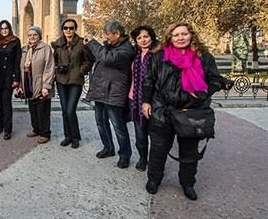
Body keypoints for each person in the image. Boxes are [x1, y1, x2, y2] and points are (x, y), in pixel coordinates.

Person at [142, 22, 223, 201]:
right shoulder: (159, 56)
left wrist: (204, 93)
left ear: (191, 35)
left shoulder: (203, 57)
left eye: (183, 34)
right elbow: (149, 80)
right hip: (164, 110)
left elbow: (215, 80)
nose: (180, 38)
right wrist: (146, 101)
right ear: (170, 37)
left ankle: (187, 183)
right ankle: (154, 179)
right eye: (176, 35)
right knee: (158, 148)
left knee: (189, 151)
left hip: (191, 111)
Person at [84, 20, 135, 168]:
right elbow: (97, 57)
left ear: (117, 34)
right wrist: (88, 46)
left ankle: (125, 155)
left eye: (108, 36)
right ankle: (108, 148)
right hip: (101, 90)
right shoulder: (108, 46)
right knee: (101, 122)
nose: (106, 39)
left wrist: (93, 43)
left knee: (118, 126)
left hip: (114, 92)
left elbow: (108, 58)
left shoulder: (126, 50)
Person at [52, 19, 94, 149]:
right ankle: (68, 136)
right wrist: (58, 68)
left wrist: (81, 71)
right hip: (61, 80)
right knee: (65, 110)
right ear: (62, 29)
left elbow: (90, 60)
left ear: (75, 29)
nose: (68, 31)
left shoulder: (82, 43)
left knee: (70, 110)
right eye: (66, 28)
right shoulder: (58, 44)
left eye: (71, 28)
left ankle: (75, 137)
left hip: (76, 80)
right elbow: (54, 60)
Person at [16, 26, 55, 144]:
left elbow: (49, 67)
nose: (32, 37)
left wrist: (46, 86)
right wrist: (20, 85)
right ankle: (36, 129)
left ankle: (45, 133)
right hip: (29, 82)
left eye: (35, 35)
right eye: (30, 35)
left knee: (42, 109)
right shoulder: (24, 50)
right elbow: (21, 67)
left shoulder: (45, 48)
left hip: (40, 82)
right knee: (33, 108)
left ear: (39, 36)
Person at [128, 25, 158, 171]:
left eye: (145, 37)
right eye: (139, 38)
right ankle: (143, 157)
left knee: (155, 133)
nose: (143, 40)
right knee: (140, 133)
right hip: (134, 99)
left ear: (151, 37)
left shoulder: (159, 54)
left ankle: (155, 161)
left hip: (153, 100)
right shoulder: (135, 54)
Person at [0, 20, 21, 140]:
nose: (4, 31)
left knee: (6, 104)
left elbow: (17, 60)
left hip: (9, 77)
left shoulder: (15, 41)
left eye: (6, 28)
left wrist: (16, 78)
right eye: (2, 29)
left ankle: (7, 130)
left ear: (9, 29)